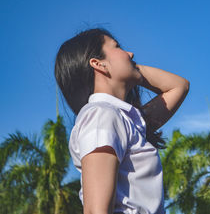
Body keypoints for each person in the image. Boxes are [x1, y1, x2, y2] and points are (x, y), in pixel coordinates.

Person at [54, 28, 190, 214]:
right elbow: (96, 211)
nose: (131, 53)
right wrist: (128, 67)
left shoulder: (124, 118)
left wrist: (128, 67)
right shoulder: (102, 115)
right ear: (98, 64)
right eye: (117, 47)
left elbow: (179, 86)